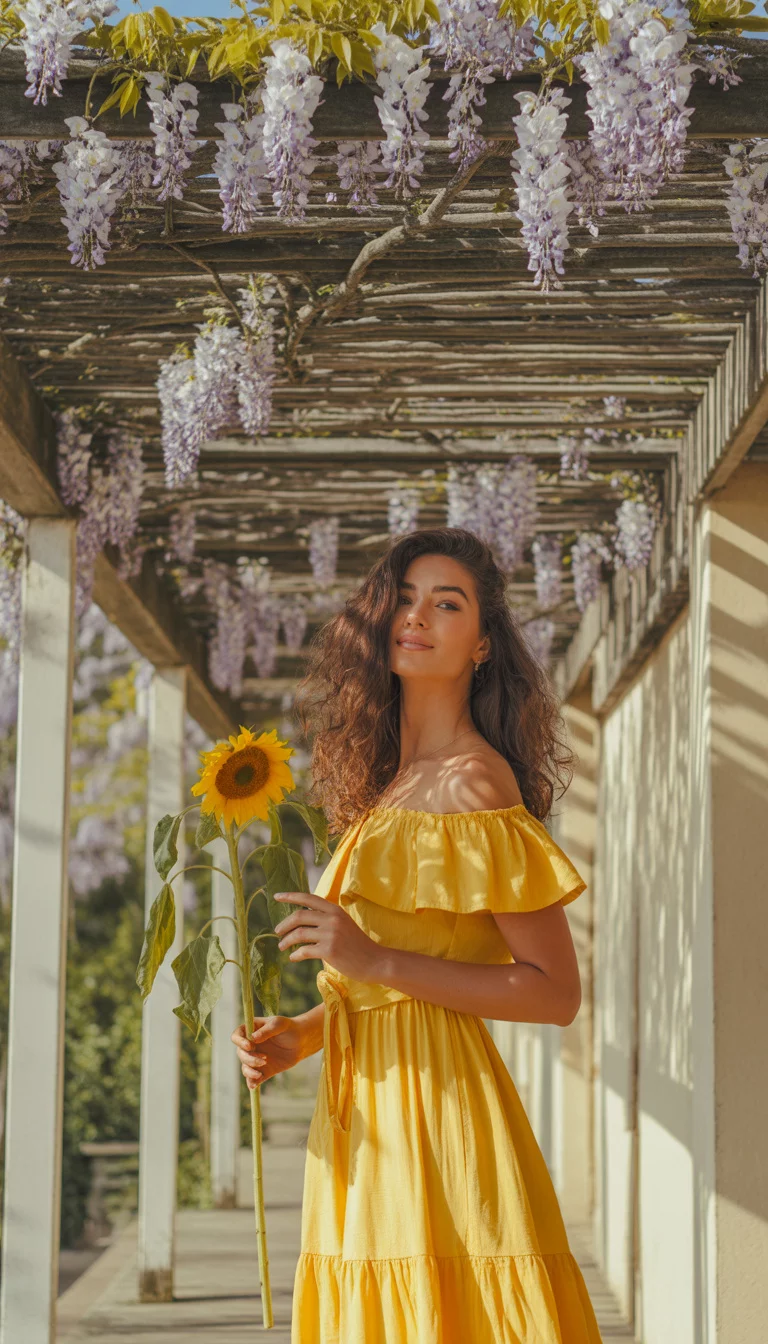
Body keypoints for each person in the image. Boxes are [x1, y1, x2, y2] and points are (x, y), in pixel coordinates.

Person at [231, 527, 603, 1343]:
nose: (417, 616)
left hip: (437, 1112)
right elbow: (400, 978)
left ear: (482, 644)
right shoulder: (386, 786)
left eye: (447, 603)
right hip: (363, 1114)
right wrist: (306, 1033)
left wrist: (371, 957)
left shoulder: (475, 782)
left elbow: (554, 993)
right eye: (403, 598)